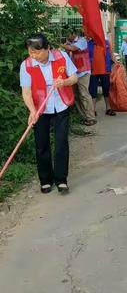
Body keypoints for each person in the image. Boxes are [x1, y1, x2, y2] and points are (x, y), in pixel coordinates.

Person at [20, 34, 78, 194]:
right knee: (41, 144)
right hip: (40, 109)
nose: (33, 56)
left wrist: (64, 82)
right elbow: (26, 92)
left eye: (36, 52)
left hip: (61, 105)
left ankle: (61, 180)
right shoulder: (26, 65)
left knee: (61, 144)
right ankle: (45, 179)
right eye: (30, 52)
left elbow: (74, 77)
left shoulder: (61, 56)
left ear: (47, 49)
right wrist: (32, 111)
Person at [61, 27, 97, 126]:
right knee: (76, 96)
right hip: (73, 73)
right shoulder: (69, 43)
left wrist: (60, 45)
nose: (67, 36)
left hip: (83, 72)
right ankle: (84, 117)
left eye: (67, 34)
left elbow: (73, 49)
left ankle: (91, 117)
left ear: (73, 34)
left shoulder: (82, 41)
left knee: (84, 94)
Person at [88, 38, 116, 116]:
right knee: (92, 90)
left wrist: (116, 63)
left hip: (105, 70)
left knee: (106, 90)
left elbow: (111, 54)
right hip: (93, 71)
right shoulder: (88, 43)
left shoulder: (106, 42)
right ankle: (93, 110)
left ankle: (108, 108)